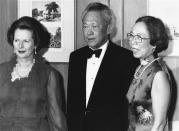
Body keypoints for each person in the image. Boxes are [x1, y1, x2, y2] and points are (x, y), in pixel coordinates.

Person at [67, 2, 139, 131]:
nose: (89, 32)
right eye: (85, 26)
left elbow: (130, 105)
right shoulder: (75, 57)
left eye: (94, 26)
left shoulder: (127, 59)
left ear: (109, 28)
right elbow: (72, 103)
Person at [0, 16, 67, 131]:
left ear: (35, 44)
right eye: (17, 40)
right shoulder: (1, 71)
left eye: (26, 41)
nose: (20, 46)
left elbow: (55, 116)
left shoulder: (49, 74)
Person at [126, 16, 171, 131]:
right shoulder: (140, 68)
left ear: (154, 43)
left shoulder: (158, 74)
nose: (133, 41)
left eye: (139, 37)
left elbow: (159, 124)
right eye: (131, 35)